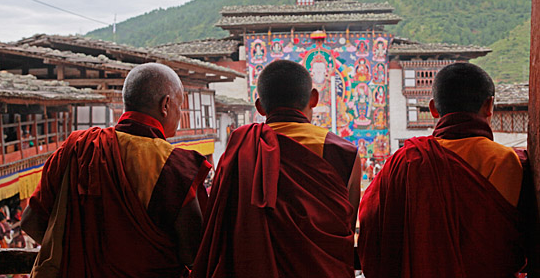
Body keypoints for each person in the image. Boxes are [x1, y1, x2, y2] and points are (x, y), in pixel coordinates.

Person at [21, 63, 211, 278]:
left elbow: (31, 221)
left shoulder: (79, 147)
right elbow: (193, 253)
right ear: (165, 105)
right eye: (180, 105)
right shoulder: (173, 165)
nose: (180, 113)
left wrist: (75, 254)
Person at [358, 62, 532, 277]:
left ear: (432, 108)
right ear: (489, 106)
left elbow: (371, 226)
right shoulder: (508, 162)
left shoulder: (405, 161)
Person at [192, 60, 361, 278]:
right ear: (314, 99)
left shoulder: (238, 152)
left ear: (260, 106)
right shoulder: (344, 153)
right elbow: (345, 228)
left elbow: (221, 231)